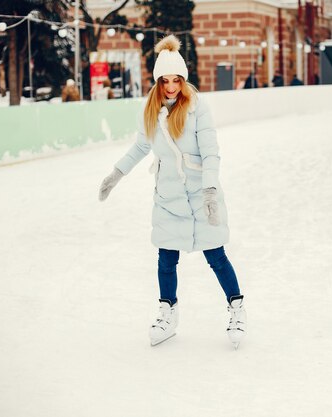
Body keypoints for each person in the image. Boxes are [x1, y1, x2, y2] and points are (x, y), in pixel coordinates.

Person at [98, 35, 246, 348]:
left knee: (216, 255)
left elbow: (211, 152)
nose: (170, 86)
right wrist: (117, 173)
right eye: (164, 81)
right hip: (168, 196)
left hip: (200, 193)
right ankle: (168, 312)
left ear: (183, 79)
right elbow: (141, 146)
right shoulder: (149, 109)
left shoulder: (197, 106)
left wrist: (209, 190)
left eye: (175, 80)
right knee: (166, 257)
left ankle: (237, 309)